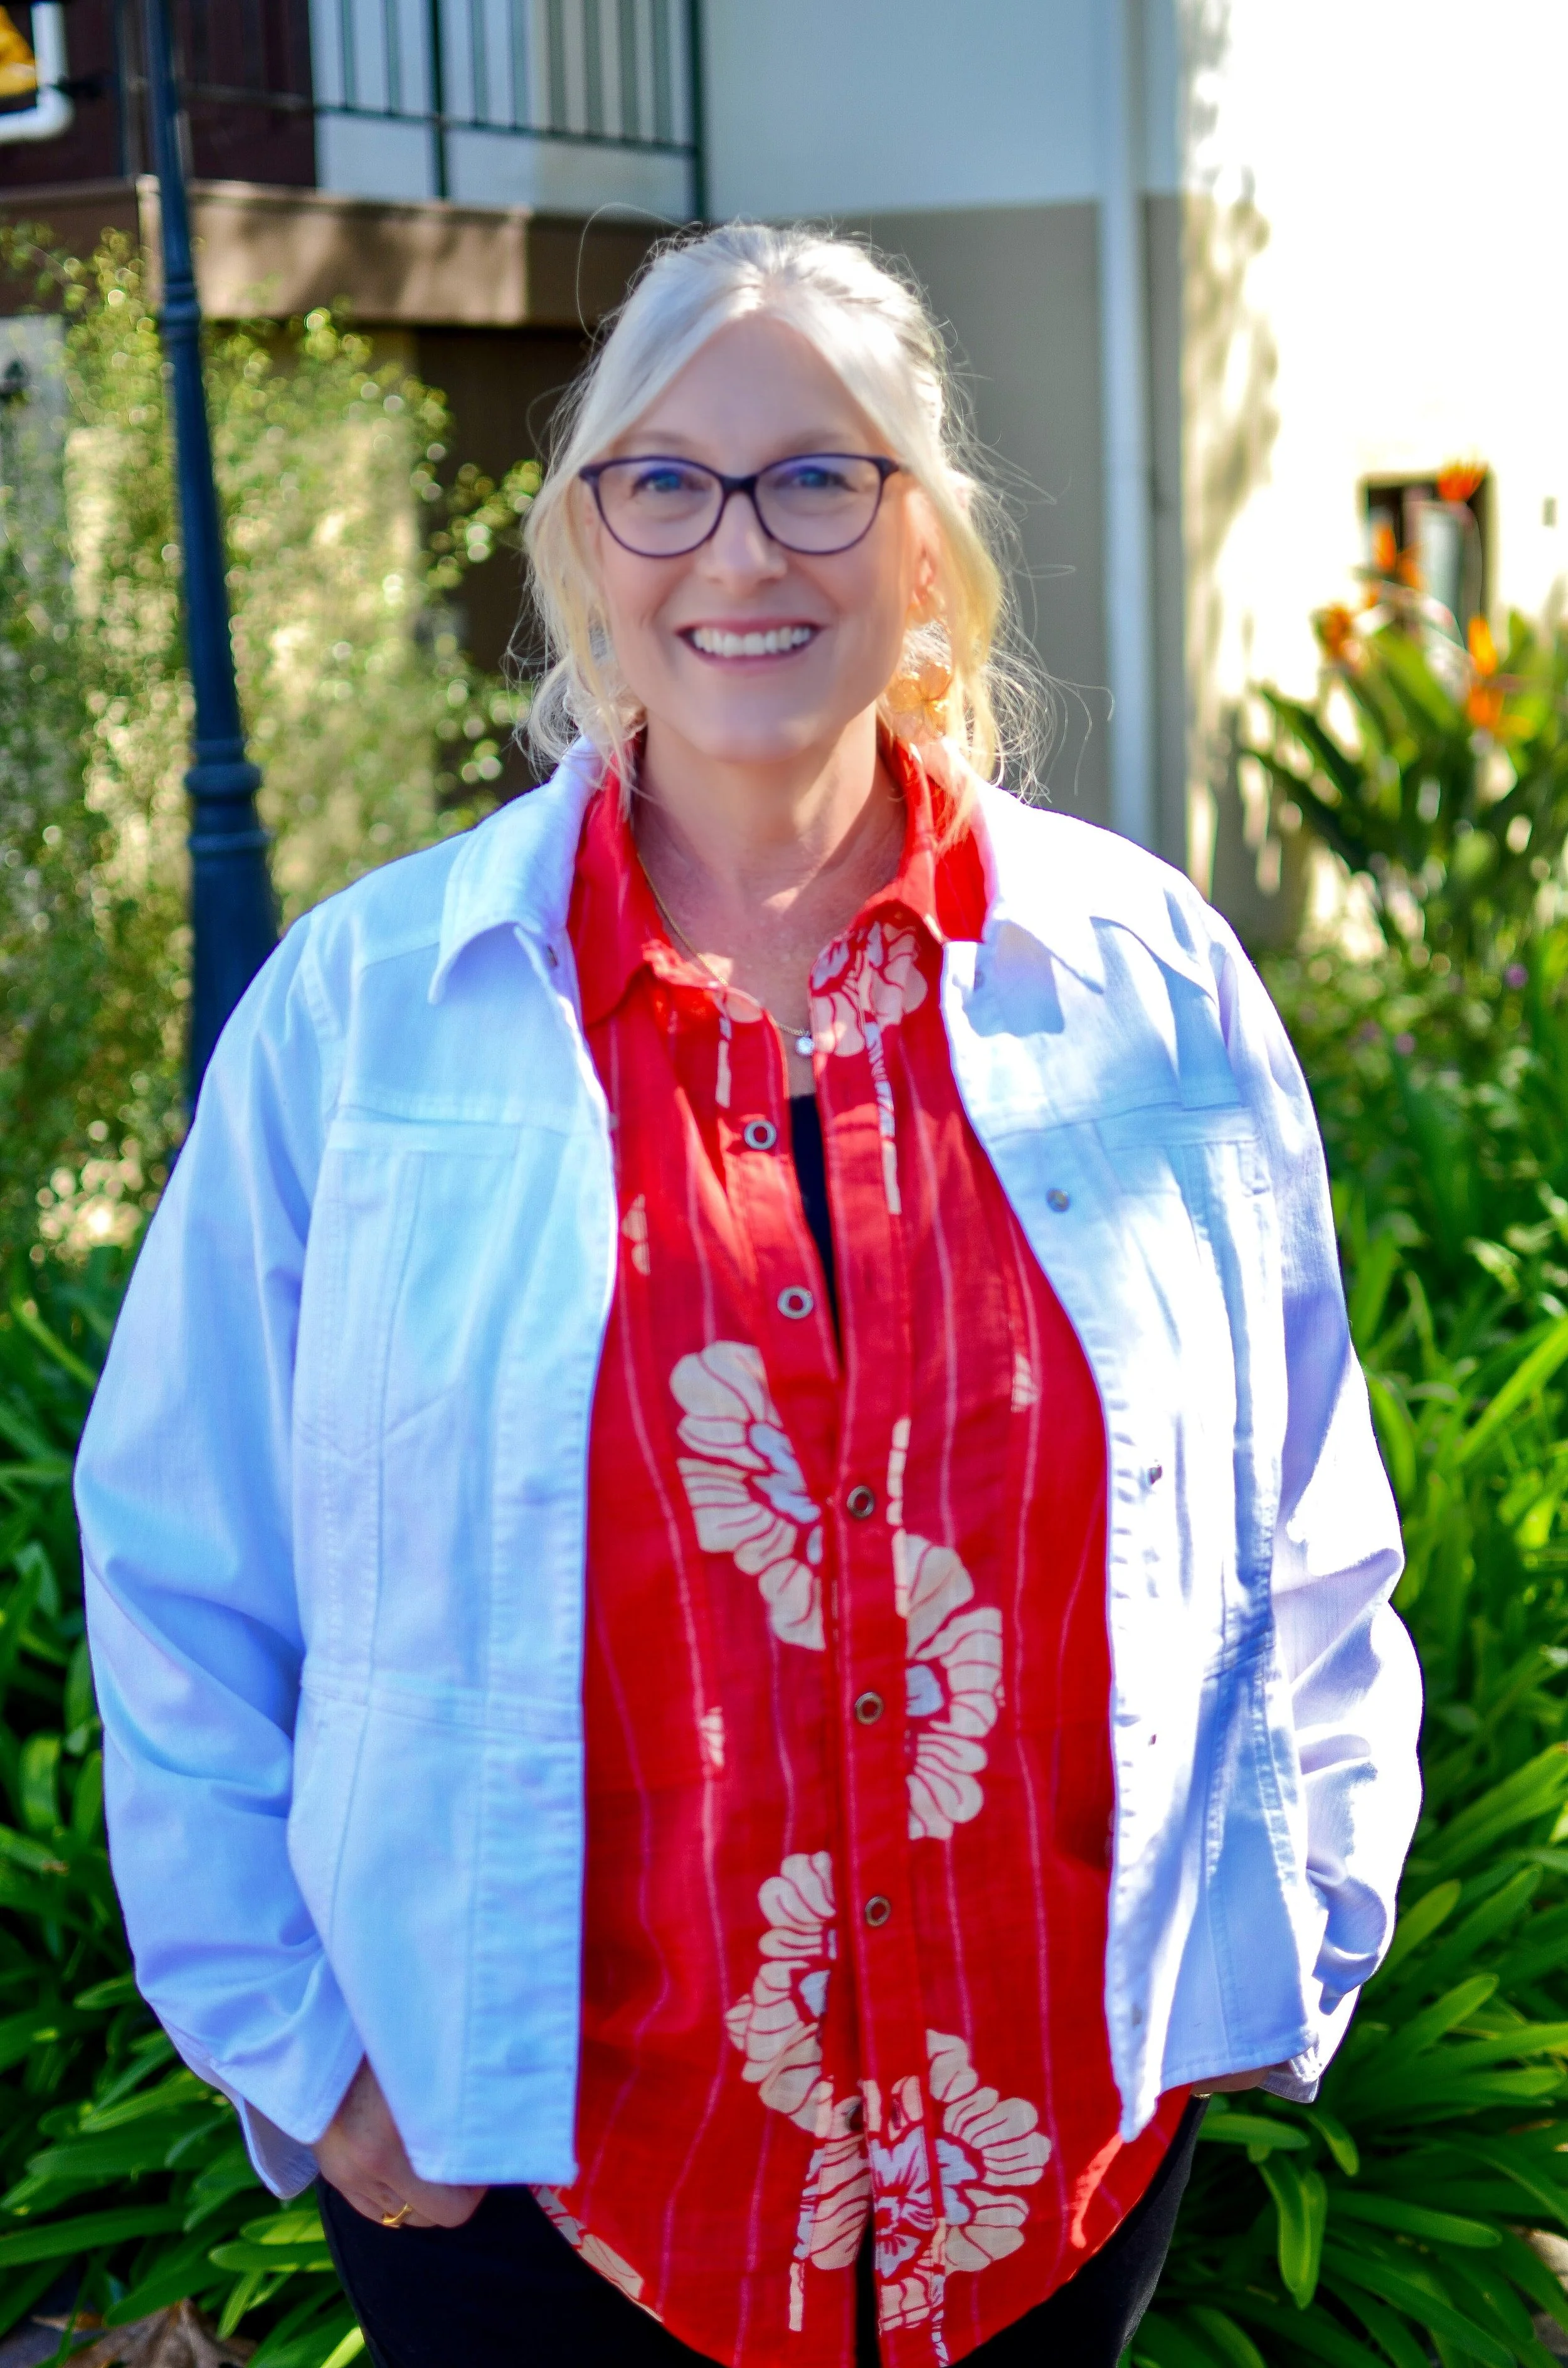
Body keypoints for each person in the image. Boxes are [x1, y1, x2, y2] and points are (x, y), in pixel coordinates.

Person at [75, 223, 1421, 2368]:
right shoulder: (371, 1015)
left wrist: (1303, 1921)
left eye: (819, 474)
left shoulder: (1146, 982)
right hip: (528, 2183)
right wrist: (303, 2050)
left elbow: (1301, 1508)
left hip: (1049, 2173)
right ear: (588, 546)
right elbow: (179, 1551)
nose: (741, 546)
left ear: (920, 552)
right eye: (667, 481)